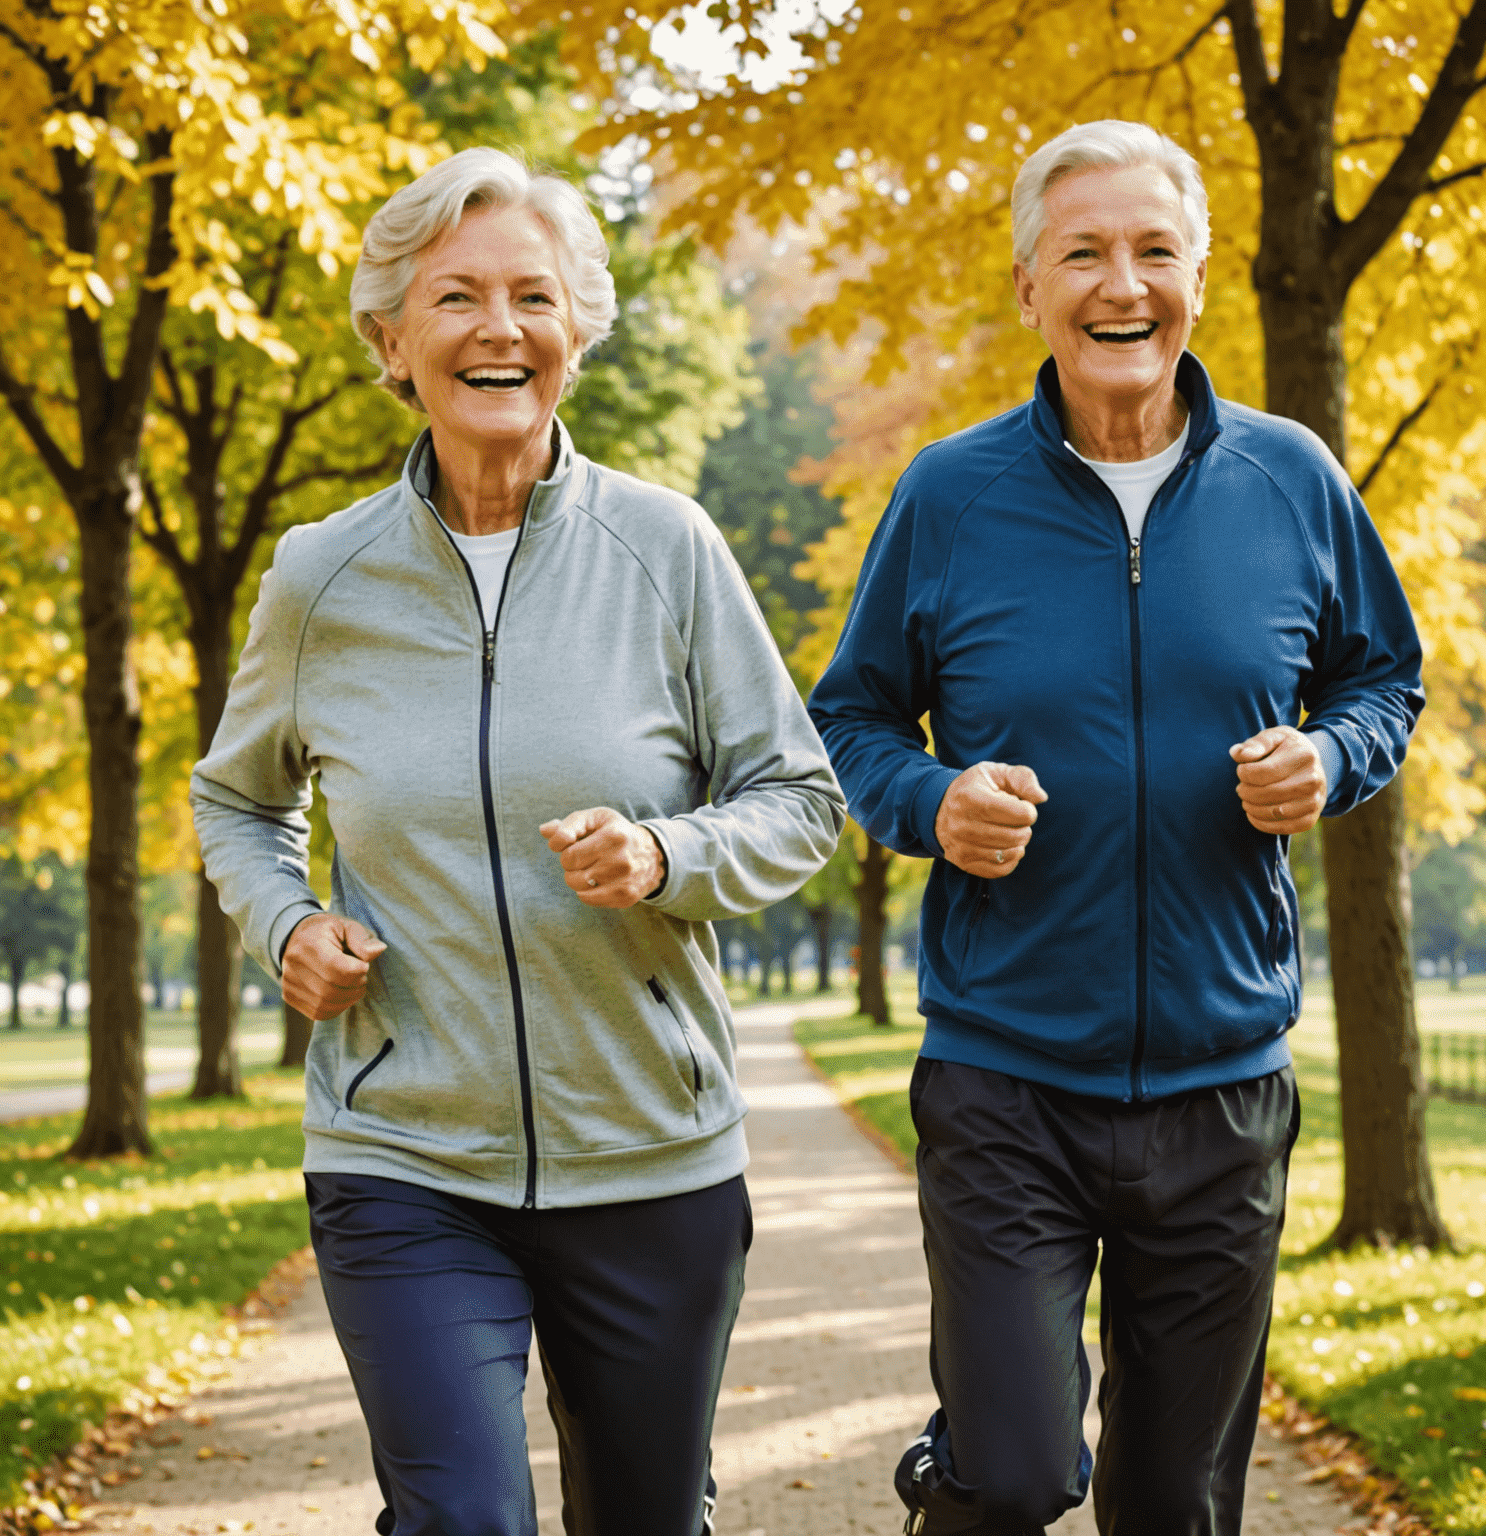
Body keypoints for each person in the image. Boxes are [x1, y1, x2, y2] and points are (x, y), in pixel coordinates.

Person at [191, 146, 844, 1536]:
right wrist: (289, 926)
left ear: (577, 332)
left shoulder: (666, 550)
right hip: (405, 1156)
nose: (500, 329)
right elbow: (238, 801)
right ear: (393, 340)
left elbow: (800, 797)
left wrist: (671, 857)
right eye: (458, 297)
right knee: (463, 1523)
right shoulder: (323, 573)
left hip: (650, 1154)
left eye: (533, 296)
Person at [806, 120, 1424, 1536]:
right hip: (1006, 1074)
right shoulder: (949, 496)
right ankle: (954, 1479)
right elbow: (850, 722)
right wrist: (931, 802)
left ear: (1197, 276)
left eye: (1154, 250)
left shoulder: (1295, 481)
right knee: (1017, 1471)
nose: (1121, 283)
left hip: (1223, 1081)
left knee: (1175, 1502)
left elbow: (1384, 677)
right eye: (1084, 252)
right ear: (1030, 287)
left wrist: (1331, 757)